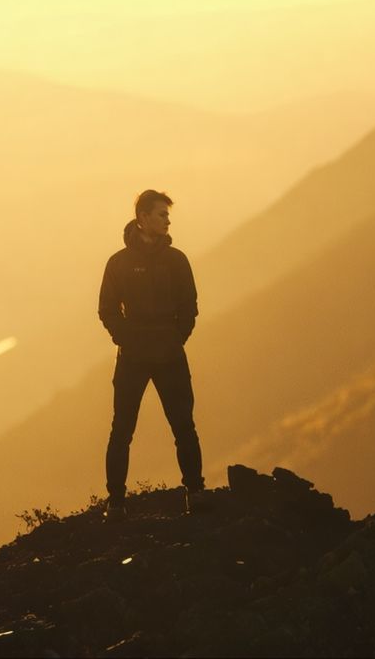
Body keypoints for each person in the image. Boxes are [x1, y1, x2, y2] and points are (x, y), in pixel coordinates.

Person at [98, 189, 209, 520]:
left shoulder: (177, 261)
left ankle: (196, 492)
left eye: (167, 215)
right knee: (122, 429)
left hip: (170, 355)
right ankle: (116, 502)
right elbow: (107, 309)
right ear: (142, 218)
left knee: (183, 426)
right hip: (132, 357)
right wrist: (126, 338)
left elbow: (190, 306)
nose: (167, 220)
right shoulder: (119, 263)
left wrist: (176, 338)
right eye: (161, 214)